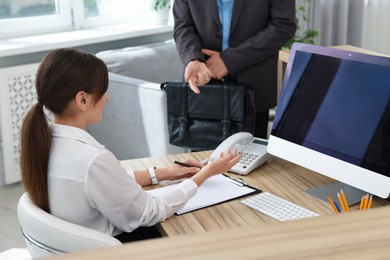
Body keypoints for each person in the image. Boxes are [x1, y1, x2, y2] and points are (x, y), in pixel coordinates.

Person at [19, 48, 241, 243]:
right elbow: (149, 212)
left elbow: (108, 183)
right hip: (117, 248)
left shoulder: (45, 142)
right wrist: (204, 176)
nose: (106, 99)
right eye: (102, 91)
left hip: (80, 246)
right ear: (83, 100)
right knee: (203, 225)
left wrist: (165, 173)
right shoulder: (92, 159)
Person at [173, 0, 296, 138]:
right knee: (202, 157)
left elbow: (283, 25)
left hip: (254, 84)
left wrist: (229, 60)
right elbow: (183, 26)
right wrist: (194, 58)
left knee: (252, 156)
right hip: (204, 81)